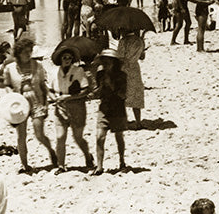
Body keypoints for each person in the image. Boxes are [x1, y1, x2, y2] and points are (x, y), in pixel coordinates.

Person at [0, 36, 56, 173]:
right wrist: (11, 96)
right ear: (19, 53)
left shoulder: (38, 65)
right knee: (21, 135)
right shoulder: (10, 68)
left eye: (30, 51)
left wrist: (50, 98)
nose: (28, 54)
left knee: (39, 134)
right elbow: (7, 85)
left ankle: (51, 150)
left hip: (36, 99)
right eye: (25, 52)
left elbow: (43, 84)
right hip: (18, 103)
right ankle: (25, 165)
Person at [49, 46, 94, 171]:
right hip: (60, 107)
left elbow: (85, 90)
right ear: (60, 59)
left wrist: (69, 97)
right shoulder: (54, 72)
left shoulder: (78, 71)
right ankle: (61, 165)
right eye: (65, 57)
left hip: (77, 107)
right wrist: (55, 99)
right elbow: (49, 90)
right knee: (60, 137)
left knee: (78, 137)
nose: (67, 60)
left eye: (69, 57)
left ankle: (88, 156)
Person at [93, 47, 128, 175]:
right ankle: (99, 166)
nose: (106, 63)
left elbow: (123, 95)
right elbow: (98, 92)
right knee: (99, 137)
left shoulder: (122, 76)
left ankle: (122, 161)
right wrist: (96, 90)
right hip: (104, 108)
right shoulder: (100, 74)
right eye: (104, 60)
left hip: (118, 109)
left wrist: (110, 84)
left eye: (109, 60)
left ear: (114, 62)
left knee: (119, 136)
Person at [116, 29, 147, 126]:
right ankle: (138, 122)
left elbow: (120, 57)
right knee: (136, 94)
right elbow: (142, 57)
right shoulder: (139, 41)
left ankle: (123, 121)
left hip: (124, 69)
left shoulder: (123, 41)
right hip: (135, 68)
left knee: (122, 94)